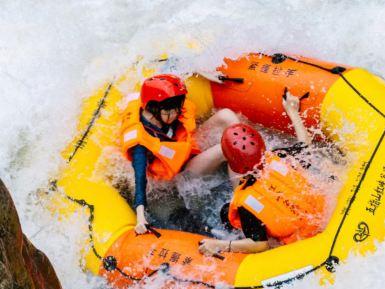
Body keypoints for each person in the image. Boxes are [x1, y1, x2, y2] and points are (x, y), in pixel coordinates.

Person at [198, 89, 326, 256]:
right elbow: (305, 147)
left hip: (299, 245)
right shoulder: (279, 157)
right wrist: (293, 112)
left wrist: (221, 245)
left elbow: (260, 244)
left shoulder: (246, 204)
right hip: (320, 217)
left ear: (234, 165)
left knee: (225, 213)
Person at [120, 74, 239, 234]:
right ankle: (241, 199)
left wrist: (206, 73)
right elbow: (140, 181)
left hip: (185, 146)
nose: (175, 114)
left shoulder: (165, 109)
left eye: (177, 108)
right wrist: (141, 218)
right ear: (154, 108)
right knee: (228, 147)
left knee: (226, 115)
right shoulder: (140, 146)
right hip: (181, 175)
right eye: (169, 111)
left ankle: (251, 158)